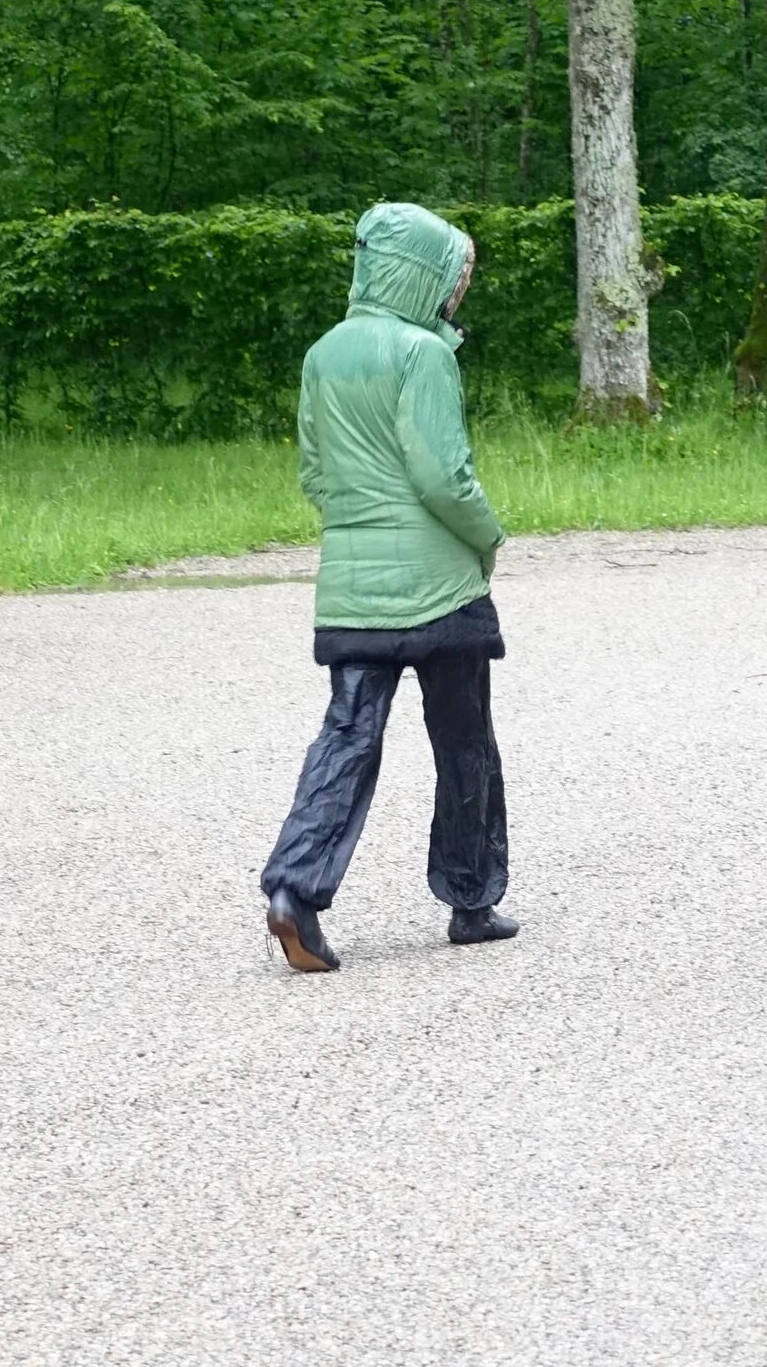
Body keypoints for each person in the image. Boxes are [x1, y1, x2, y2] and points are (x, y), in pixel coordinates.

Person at [260, 202, 515, 973]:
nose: (455, 294)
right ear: (421, 276)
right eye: (450, 278)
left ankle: (295, 890)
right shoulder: (423, 355)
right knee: (464, 738)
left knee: (347, 733)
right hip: (440, 584)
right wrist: (487, 534)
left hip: (351, 584)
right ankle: (471, 899)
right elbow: (443, 474)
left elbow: (314, 472)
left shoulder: (322, 354)